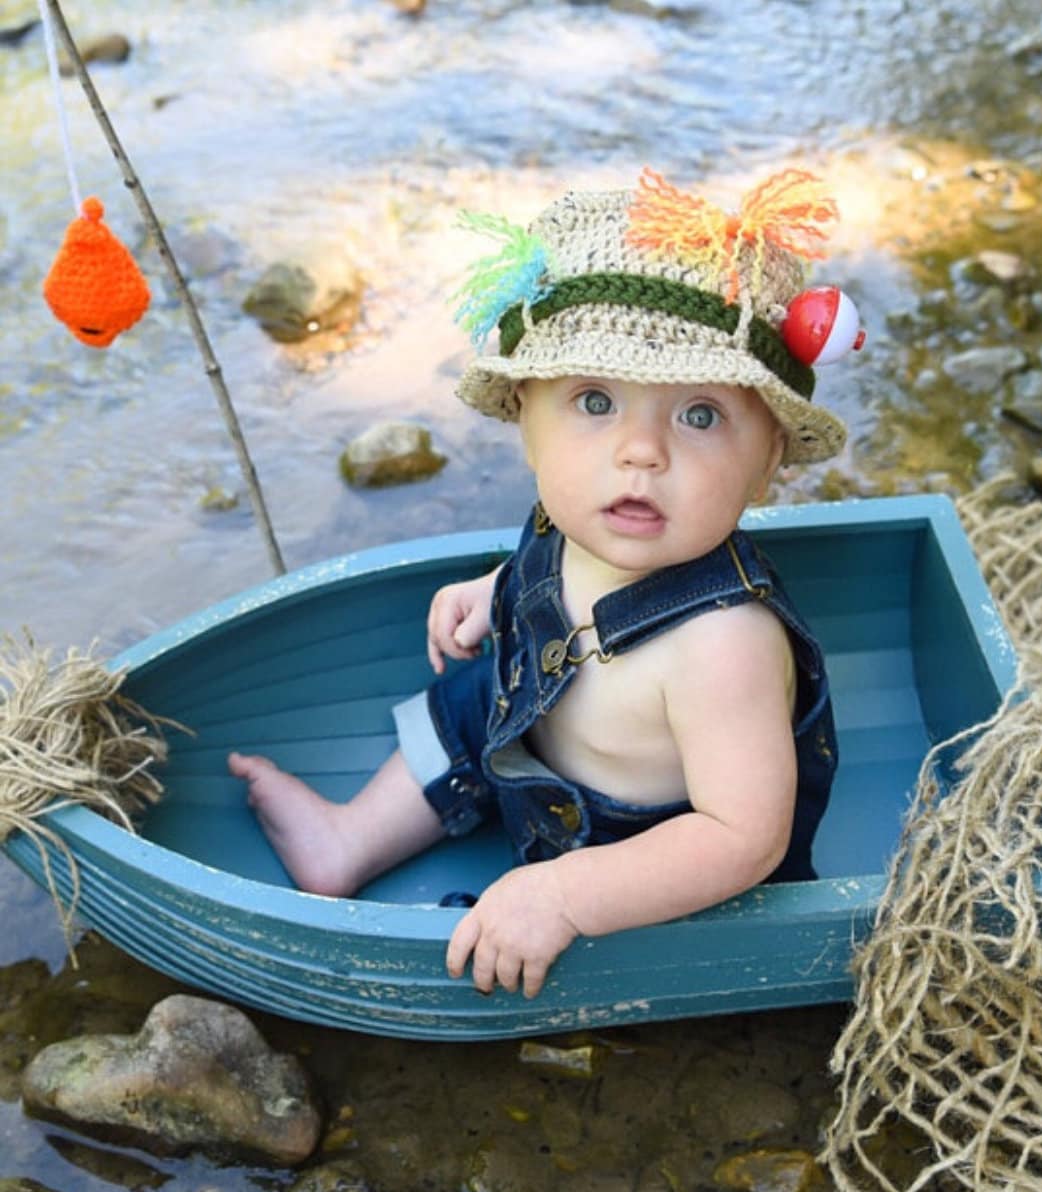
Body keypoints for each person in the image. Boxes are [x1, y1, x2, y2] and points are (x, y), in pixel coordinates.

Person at [229, 168, 855, 998]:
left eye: (698, 415)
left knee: (616, 853)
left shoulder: (725, 645)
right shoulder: (577, 522)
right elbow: (550, 575)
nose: (641, 452)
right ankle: (349, 840)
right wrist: (491, 591)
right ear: (526, 419)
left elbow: (744, 838)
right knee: (469, 695)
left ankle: (539, 908)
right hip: (532, 744)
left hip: (633, 850)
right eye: (595, 400)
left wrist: (563, 894)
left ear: (767, 459)